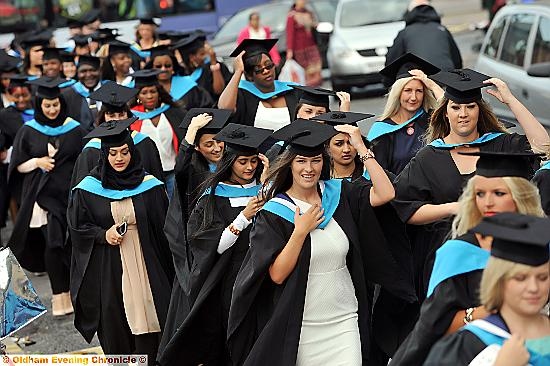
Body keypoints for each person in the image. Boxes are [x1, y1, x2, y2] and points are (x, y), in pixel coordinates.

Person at [227, 119, 416, 365]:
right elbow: (277, 275)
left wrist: (361, 147)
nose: (309, 168)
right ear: (290, 164)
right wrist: (300, 231)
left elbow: (386, 193)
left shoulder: (339, 194)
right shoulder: (275, 212)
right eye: (301, 161)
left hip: (345, 319)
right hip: (303, 325)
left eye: (315, 160)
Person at [393, 69, 550, 302]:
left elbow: (543, 147)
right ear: (445, 113)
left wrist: (510, 100)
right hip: (452, 260)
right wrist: (454, 208)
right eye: (455, 107)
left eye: (470, 107)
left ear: (480, 110)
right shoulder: (429, 157)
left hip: (503, 256)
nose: (463, 114)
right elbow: (406, 208)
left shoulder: (501, 145)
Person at [391, 151, 546, 365]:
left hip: (536, 344)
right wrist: (488, 312)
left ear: (520, 196)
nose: (487, 203)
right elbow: (434, 325)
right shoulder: (458, 252)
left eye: (499, 193)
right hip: (471, 352)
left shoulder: (541, 244)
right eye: (480, 194)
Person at [158, 124, 272, 365]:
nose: (249, 167)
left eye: (253, 160)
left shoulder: (263, 188)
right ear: (230, 161)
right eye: (243, 161)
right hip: (229, 278)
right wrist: (243, 218)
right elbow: (212, 247)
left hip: (262, 275)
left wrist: (267, 187)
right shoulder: (212, 195)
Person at [68, 117, 174, 361]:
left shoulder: (150, 185)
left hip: (148, 260)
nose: (119, 158)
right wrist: (103, 234)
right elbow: (78, 226)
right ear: (104, 155)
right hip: (110, 264)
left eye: (125, 152)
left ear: (132, 153)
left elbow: (166, 228)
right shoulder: (88, 188)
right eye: (113, 153)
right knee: (115, 314)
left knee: (156, 312)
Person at [424, 212, 550, 365]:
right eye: (520, 278)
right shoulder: (467, 344)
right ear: (498, 280)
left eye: (542, 277)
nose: (533, 288)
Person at [7, 77, 86, 316]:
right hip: (43, 198)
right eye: (47, 106)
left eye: (56, 105)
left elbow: (85, 159)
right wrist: (37, 161)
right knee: (53, 243)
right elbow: (17, 166)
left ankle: (76, 294)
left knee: (71, 244)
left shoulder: (74, 128)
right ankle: (59, 296)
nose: (52, 110)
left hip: (69, 195)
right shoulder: (28, 131)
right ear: (39, 105)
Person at [70, 82, 163, 187]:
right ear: (103, 117)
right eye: (111, 115)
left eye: (122, 114)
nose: (117, 119)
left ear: (128, 116)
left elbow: (156, 184)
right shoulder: (91, 150)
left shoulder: (144, 143)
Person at [368, 53, 442, 175]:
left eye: (419, 91)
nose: (413, 97)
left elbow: (453, 109)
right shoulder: (382, 131)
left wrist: (432, 85)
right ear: (397, 93)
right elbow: (378, 176)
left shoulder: (432, 120)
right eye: (407, 90)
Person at [129, 69, 188, 198]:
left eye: (153, 91)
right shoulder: (132, 118)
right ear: (138, 96)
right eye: (144, 92)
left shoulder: (173, 113)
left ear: (159, 92)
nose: (149, 96)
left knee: (175, 208)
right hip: (147, 174)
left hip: (173, 171)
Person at [218, 39, 301, 131]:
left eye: (269, 65)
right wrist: (238, 71)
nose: (266, 71)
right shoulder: (243, 94)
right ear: (249, 76)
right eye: (258, 69)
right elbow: (224, 108)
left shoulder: (292, 90)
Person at [385, 1, 462, 78]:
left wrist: (387, 83)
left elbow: (392, 61)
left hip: (421, 80)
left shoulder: (405, 32)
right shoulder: (442, 30)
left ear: (409, 12)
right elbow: (457, 60)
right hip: (447, 78)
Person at [0, 75, 33, 241]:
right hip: (15, 168)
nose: (21, 99)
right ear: (10, 95)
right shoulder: (5, 115)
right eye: (16, 96)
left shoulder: (38, 109)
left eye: (24, 95)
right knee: (18, 202)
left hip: (38, 167)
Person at [145, 45, 213, 109]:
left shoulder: (187, 84)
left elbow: (206, 106)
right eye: (158, 66)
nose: (163, 69)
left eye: (168, 65)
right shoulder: (146, 88)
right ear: (151, 68)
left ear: (173, 67)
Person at [172, 31, 232, 102]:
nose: (206, 56)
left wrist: (214, 64)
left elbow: (219, 91)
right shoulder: (181, 73)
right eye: (202, 54)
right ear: (192, 57)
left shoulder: (212, 67)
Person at [286, 0, 322, 86]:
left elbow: (314, 27)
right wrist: (290, 50)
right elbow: (290, 34)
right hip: (300, 49)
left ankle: (318, 91)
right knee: (308, 73)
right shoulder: (292, 16)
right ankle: (311, 94)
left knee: (317, 70)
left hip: (312, 46)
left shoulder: (308, 13)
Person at [63, 55, 104, 128]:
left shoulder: (110, 90)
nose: (88, 75)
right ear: (77, 73)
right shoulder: (67, 95)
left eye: (92, 70)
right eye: (83, 71)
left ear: (100, 71)